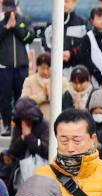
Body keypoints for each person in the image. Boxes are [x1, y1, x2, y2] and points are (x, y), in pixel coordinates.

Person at [0, 2, 34, 133]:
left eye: (12, 8)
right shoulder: (1, 22)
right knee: (4, 97)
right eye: (7, 9)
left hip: (21, 66)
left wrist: (16, 28)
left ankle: (20, 125)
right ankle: (7, 125)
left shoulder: (24, 21)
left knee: (21, 96)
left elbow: (29, 38)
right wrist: (6, 27)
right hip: (4, 67)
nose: (10, 11)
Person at [40, 0, 87, 76]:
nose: (63, 4)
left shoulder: (82, 23)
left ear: (75, 3)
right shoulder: (51, 24)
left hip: (77, 72)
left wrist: (71, 54)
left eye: (66, 1)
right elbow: (45, 45)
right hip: (55, 71)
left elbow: (86, 47)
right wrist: (56, 54)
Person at [6, 98, 48, 169]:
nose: (25, 122)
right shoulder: (18, 126)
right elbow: (13, 151)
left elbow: (45, 151)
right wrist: (22, 138)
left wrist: (29, 136)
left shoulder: (44, 126)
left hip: (41, 165)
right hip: (19, 166)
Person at [18, 53, 49, 119]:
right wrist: (43, 96)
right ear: (38, 67)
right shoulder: (29, 81)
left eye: (48, 68)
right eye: (43, 68)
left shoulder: (59, 80)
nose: (45, 71)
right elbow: (24, 102)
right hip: (35, 119)